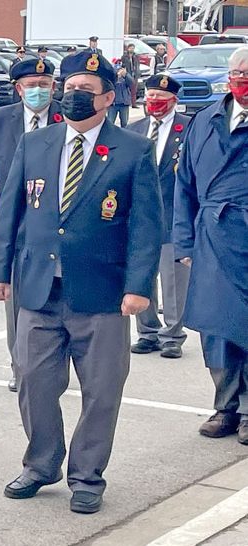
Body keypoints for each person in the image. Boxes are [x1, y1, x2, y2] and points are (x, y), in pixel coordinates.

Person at [0, 51, 163, 514]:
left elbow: (146, 226)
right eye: (70, 89)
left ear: (107, 98)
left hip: (102, 293)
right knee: (33, 381)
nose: (74, 96)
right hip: (39, 288)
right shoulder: (36, 143)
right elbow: (11, 212)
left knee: (101, 390)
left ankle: (87, 475)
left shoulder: (133, 149)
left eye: (85, 90)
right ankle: (42, 463)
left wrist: (138, 287)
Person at [0, 58, 62, 392]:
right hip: (13, 222)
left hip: (56, 223)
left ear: (54, 86)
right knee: (15, 301)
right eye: (32, 85)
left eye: (44, 84)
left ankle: (53, 366)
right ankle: (20, 367)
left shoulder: (66, 117)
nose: (39, 90)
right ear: (18, 89)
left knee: (52, 298)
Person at [174, 46, 248, 443]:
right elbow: (184, 185)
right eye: (238, 75)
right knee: (216, 329)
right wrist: (184, 242)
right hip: (210, 238)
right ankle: (226, 406)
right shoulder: (204, 120)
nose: (242, 82)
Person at [129, 74, 190, 360]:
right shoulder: (134, 130)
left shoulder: (188, 129)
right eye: (150, 97)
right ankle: (147, 331)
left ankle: (172, 335)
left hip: (174, 215)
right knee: (142, 275)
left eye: (160, 99)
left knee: (174, 279)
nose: (154, 103)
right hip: (140, 217)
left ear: (174, 101)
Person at [120, 42, 140, 107]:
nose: (132, 49)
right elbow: (122, 66)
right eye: (131, 48)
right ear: (128, 49)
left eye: (133, 48)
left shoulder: (136, 56)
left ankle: (134, 104)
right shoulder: (124, 57)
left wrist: (138, 73)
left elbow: (137, 65)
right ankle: (127, 102)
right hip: (128, 74)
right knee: (127, 89)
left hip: (135, 74)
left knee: (134, 89)